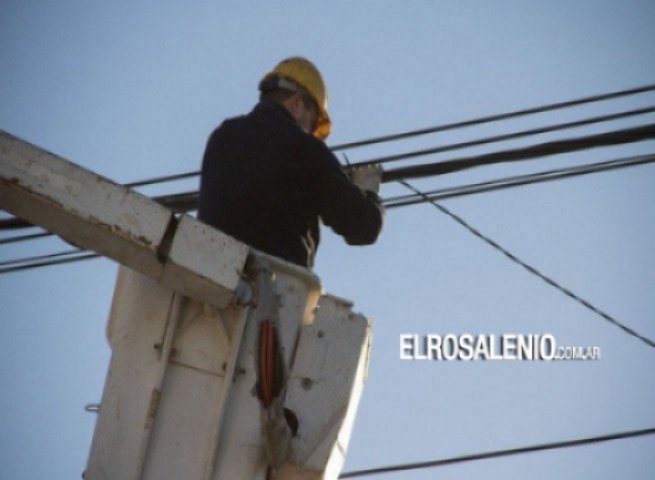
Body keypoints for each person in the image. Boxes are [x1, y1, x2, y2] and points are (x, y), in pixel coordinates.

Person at [198, 57, 383, 268]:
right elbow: (363, 228)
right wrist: (369, 194)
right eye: (312, 124)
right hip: (273, 285)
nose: (311, 133)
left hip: (209, 270)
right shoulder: (304, 149)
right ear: (297, 103)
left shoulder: (222, 135)